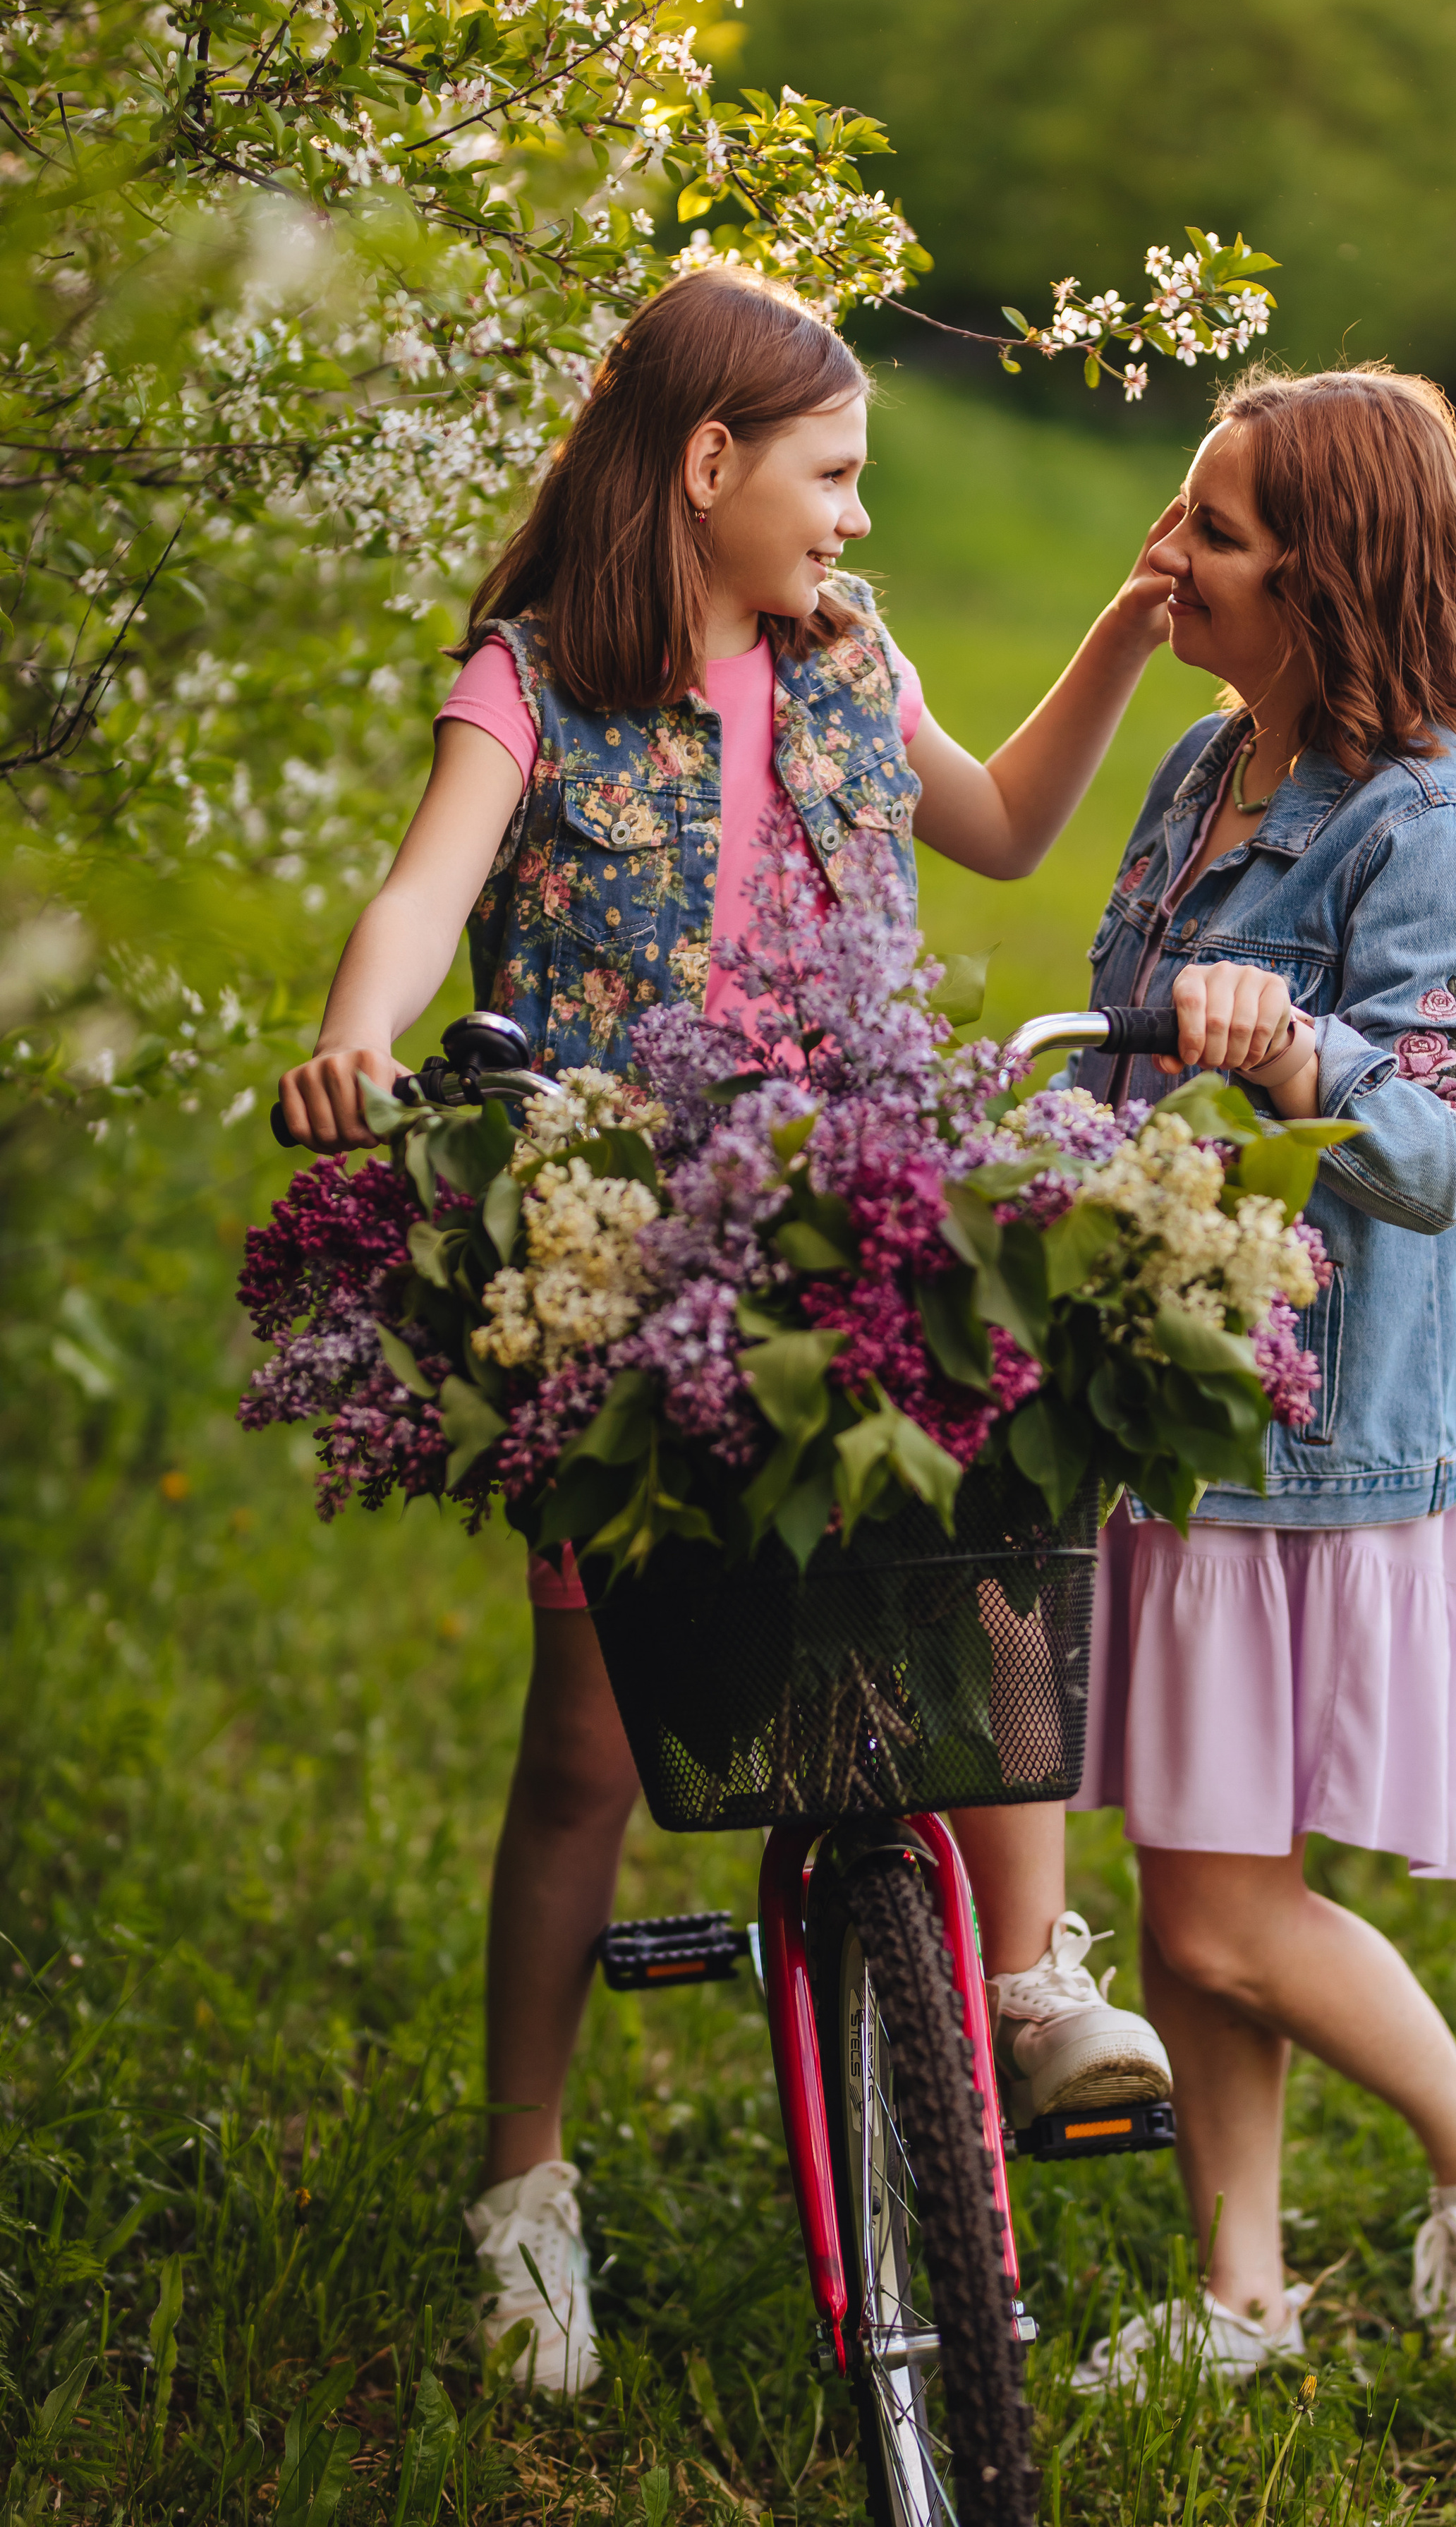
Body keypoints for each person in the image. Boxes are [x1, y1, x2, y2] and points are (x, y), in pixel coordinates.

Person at [277, 266, 1172, 2392]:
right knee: (590, 1744)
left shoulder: (853, 658)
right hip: (627, 1269)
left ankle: (1030, 1975)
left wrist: (1125, 631)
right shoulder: (534, 684)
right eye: (832, 475)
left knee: (981, 1570)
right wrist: (353, 1035)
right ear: (705, 465)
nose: (855, 520)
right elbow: (426, 890)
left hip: (855, 1232)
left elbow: (1008, 828)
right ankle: (526, 2183)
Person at [1057, 364, 1456, 2387]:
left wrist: (1299, 1056)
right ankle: (1243, 2292)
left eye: (1219, 533)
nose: (1167, 555)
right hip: (1177, 1389)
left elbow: (1443, 1144)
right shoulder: (1210, 766)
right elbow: (1125, 1020)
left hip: (1317, 1426)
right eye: (1182, 513)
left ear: (1333, 579)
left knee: (1206, 1917)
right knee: (1203, 1885)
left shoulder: (1439, 824)